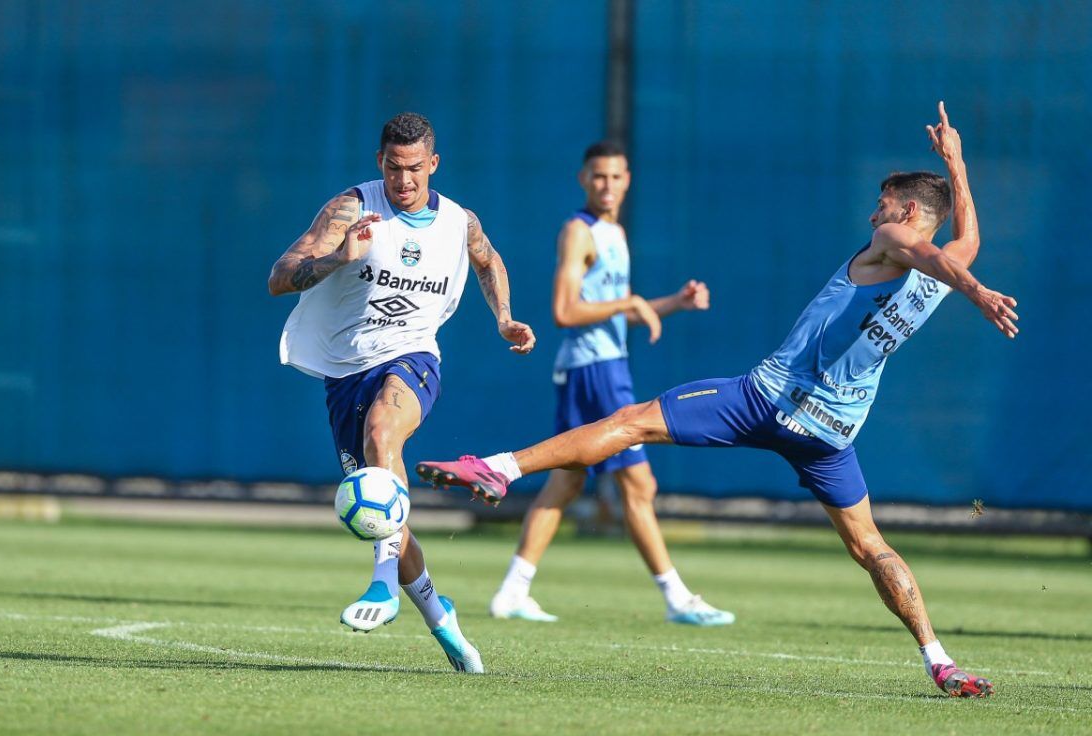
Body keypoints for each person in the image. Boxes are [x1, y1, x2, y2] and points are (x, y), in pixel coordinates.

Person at [417, 103, 1013, 697]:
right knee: (870, 544)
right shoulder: (951, 267)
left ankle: (499, 469)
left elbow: (934, 253)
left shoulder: (895, 239)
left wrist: (980, 292)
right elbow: (963, 243)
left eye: (882, 204)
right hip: (833, 432)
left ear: (907, 213)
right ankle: (938, 659)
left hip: (770, 398)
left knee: (630, 423)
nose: (873, 212)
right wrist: (958, 167)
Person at [268, 112, 536, 673]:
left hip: (413, 357)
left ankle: (382, 583)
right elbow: (280, 275)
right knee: (388, 512)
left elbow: (488, 260)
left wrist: (504, 319)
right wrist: (337, 259)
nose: (404, 180)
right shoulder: (350, 210)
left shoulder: (459, 222)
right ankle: (443, 619)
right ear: (379, 164)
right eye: (394, 168)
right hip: (345, 375)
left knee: (383, 430)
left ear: (433, 164)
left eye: (415, 169)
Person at [488, 141, 734, 627]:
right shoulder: (579, 232)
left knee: (566, 480)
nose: (607, 185)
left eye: (616, 176)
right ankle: (677, 597)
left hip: (603, 364)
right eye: (598, 176)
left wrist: (673, 303)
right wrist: (630, 304)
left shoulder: (614, 232)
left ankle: (513, 591)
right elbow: (565, 312)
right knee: (639, 483)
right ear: (584, 179)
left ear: (627, 180)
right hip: (594, 370)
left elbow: (615, 311)